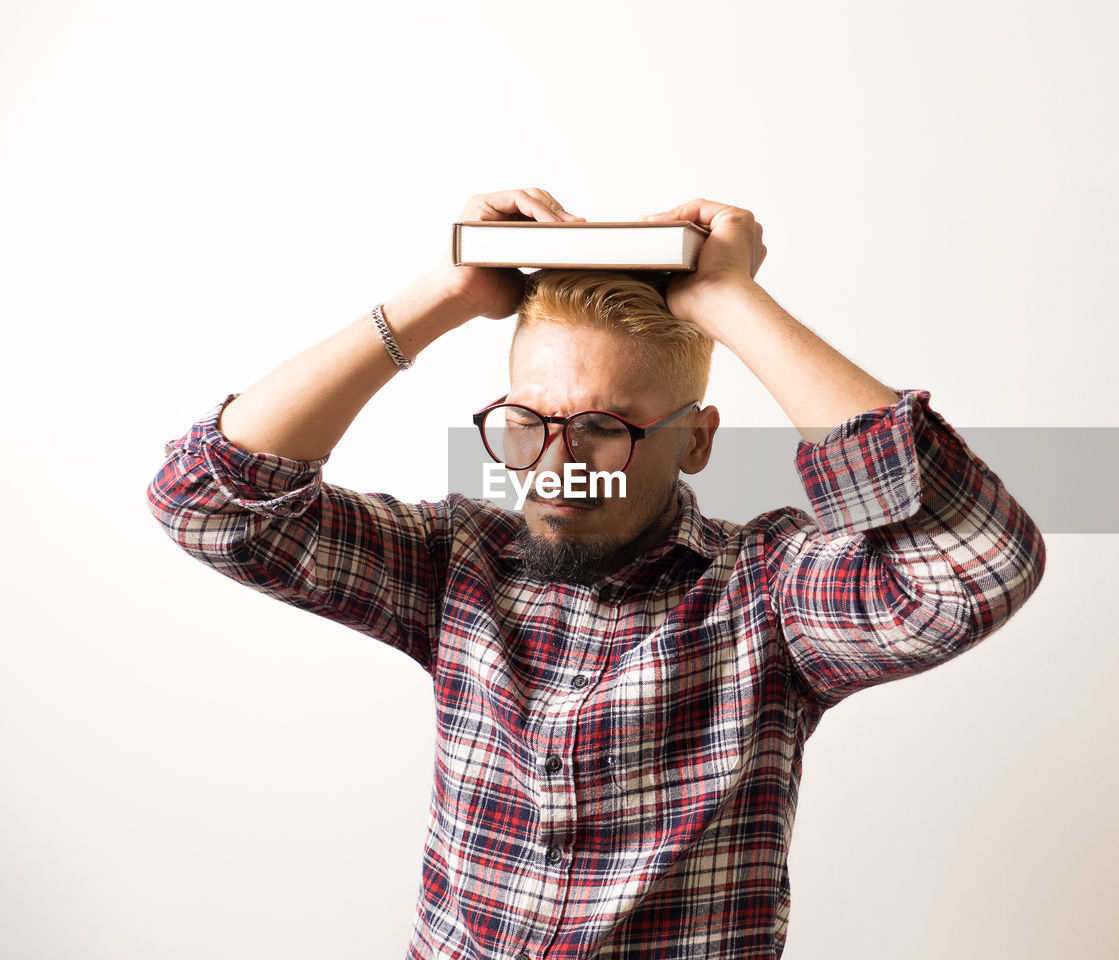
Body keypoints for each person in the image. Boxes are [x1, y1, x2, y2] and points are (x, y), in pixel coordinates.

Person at [146, 187, 1047, 960]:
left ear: (694, 439)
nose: (553, 462)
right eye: (525, 420)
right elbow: (203, 502)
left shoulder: (766, 596)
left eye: (603, 426)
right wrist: (443, 296)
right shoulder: (456, 564)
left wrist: (731, 302)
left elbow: (975, 569)